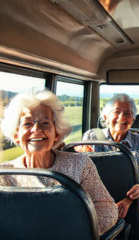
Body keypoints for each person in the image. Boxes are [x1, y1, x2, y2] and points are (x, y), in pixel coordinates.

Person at [0, 90, 117, 235]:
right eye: (28, 123)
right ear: (16, 134)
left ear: (56, 133)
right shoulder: (4, 173)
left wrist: (70, 232)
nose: (36, 129)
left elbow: (107, 211)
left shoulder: (79, 164)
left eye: (45, 123)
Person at [82, 93, 139, 240]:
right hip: (97, 201)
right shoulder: (91, 137)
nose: (122, 117)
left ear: (133, 120)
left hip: (133, 202)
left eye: (127, 113)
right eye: (116, 112)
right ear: (105, 117)